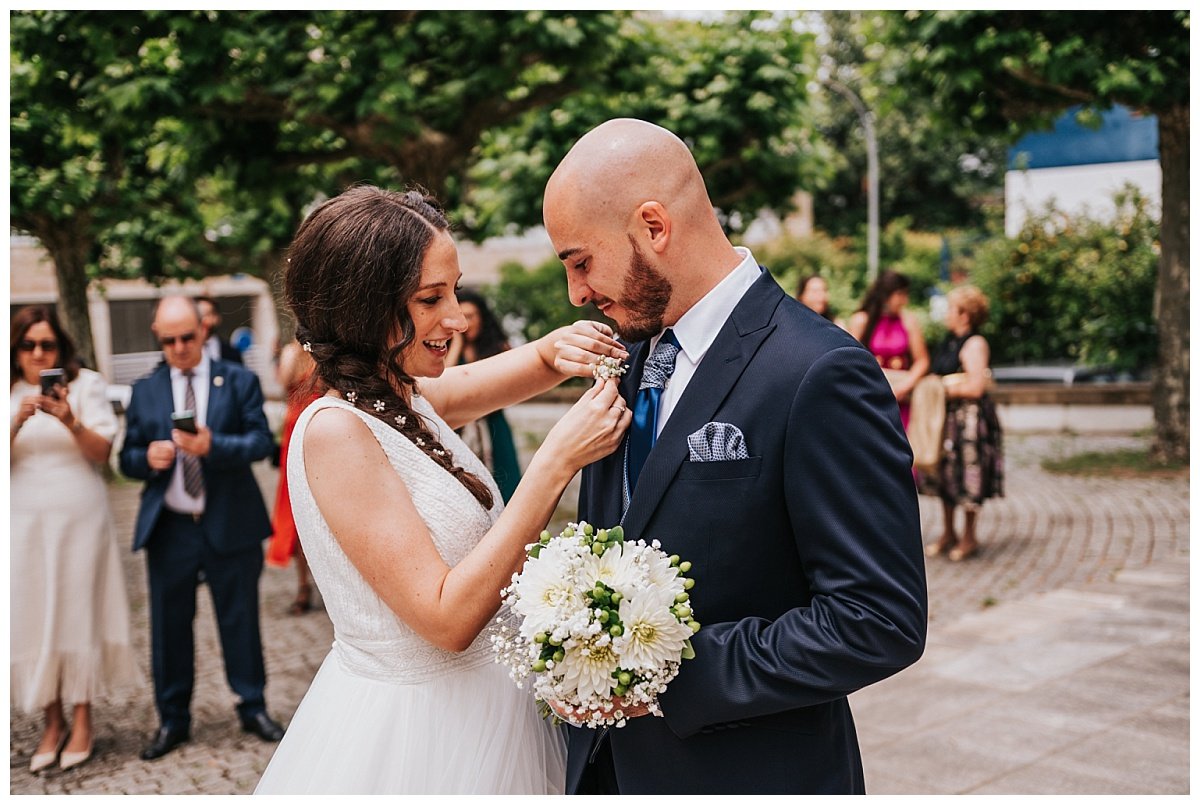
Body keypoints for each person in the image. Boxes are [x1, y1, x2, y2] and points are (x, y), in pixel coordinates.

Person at [542, 118, 927, 794]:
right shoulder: (628, 357)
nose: (577, 293)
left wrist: (662, 674)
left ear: (653, 226)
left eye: (581, 261)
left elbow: (877, 618)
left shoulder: (819, 370)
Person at [253, 185, 631, 794]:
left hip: (491, 704)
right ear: (365, 306)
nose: (456, 317)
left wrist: (555, 350)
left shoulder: (397, 398)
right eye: (432, 298)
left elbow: (493, 379)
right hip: (422, 734)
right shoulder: (337, 433)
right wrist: (555, 462)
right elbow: (447, 618)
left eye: (454, 290)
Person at [119, 295, 285, 761]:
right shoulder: (145, 389)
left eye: (187, 337)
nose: (179, 347)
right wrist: (146, 459)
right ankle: (173, 719)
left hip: (230, 521)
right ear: (159, 337)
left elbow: (258, 443)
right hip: (171, 526)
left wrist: (215, 445)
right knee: (169, 628)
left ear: (203, 331)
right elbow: (126, 457)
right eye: (168, 340)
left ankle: (252, 706)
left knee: (240, 620)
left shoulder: (238, 379)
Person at [10, 305, 140, 773]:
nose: (38, 353)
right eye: (29, 345)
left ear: (60, 347)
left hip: (80, 517)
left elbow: (103, 453)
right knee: (33, 614)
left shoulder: (85, 385)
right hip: (23, 524)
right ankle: (52, 719)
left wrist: (68, 419)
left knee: (77, 609)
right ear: (16, 349)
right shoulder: (8, 392)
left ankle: (82, 717)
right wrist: (16, 422)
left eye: (47, 344)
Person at [919, 285, 1004, 562]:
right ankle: (948, 533)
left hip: (968, 420)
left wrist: (938, 388)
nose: (947, 314)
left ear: (965, 315)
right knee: (944, 474)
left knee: (969, 475)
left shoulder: (974, 344)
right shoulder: (949, 341)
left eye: (951, 309)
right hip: (946, 418)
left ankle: (969, 536)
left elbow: (976, 386)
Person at [445, 287, 523, 502]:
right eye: (462, 316)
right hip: (459, 426)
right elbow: (442, 382)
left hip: (493, 423)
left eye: (471, 316)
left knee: (505, 480)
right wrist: (457, 344)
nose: (467, 322)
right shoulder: (443, 349)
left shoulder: (497, 347)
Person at [265, 339, 320, 615]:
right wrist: (295, 352)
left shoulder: (329, 348)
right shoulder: (292, 352)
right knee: (295, 515)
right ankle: (303, 584)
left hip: (323, 432)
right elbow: (284, 381)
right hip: (294, 432)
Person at [848, 270, 930, 431]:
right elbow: (850, 359)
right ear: (886, 294)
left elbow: (922, 360)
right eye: (900, 294)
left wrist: (904, 386)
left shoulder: (908, 321)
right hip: (871, 395)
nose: (904, 300)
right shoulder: (861, 321)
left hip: (902, 398)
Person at [195, 295, 243, 364]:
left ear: (217, 318)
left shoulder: (231, 352)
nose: (203, 320)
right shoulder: (184, 352)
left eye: (207, 314)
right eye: (198, 315)